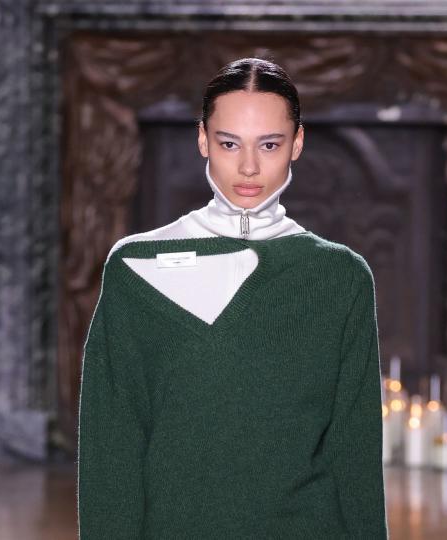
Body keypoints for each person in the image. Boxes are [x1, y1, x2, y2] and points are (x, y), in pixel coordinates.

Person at [77, 58, 388, 537]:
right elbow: (111, 448)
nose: (248, 166)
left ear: (297, 144)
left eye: (269, 144)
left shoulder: (340, 277)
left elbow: (356, 451)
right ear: (202, 139)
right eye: (229, 143)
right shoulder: (135, 269)